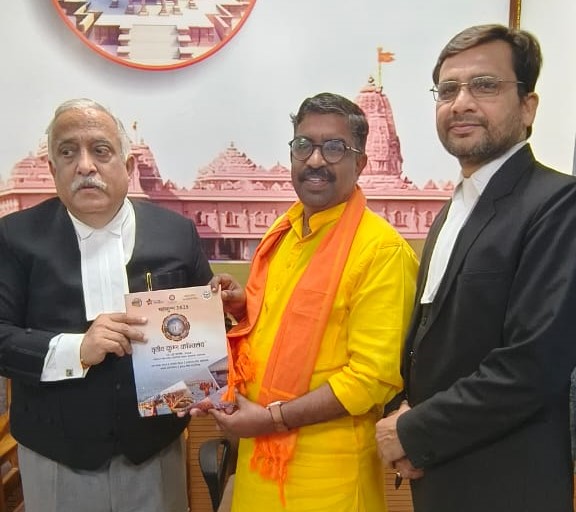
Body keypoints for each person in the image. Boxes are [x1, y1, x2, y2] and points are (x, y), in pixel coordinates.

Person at [375, 24, 576, 512]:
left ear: (527, 106)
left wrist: (412, 431)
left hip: (508, 485)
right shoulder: (453, 210)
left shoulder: (558, 204)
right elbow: (431, 341)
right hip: (439, 474)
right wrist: (402, 414)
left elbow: (533, 365)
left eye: (484, 85)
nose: (461, 103)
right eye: (447, 90)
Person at [205, 92, 419, 512]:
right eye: (304, 145)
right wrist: (243, 306)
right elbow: (290, 324)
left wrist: (272, 418)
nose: (315, 160)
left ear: (361, 163)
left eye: (334, 148)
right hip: (259, 464)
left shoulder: (381, 251)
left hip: (328, 478)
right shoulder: (285, 233)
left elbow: (370, 379)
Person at [0, 98, 213, 512]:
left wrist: (221, 310)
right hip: (55, 456)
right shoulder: (14, 237)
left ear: (128, 167)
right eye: (68, 153)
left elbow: (201, 332)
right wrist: (77, 349)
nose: (85, 166)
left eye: (100, 150)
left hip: (155, 453)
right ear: (52, 169)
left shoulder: (177, 234)